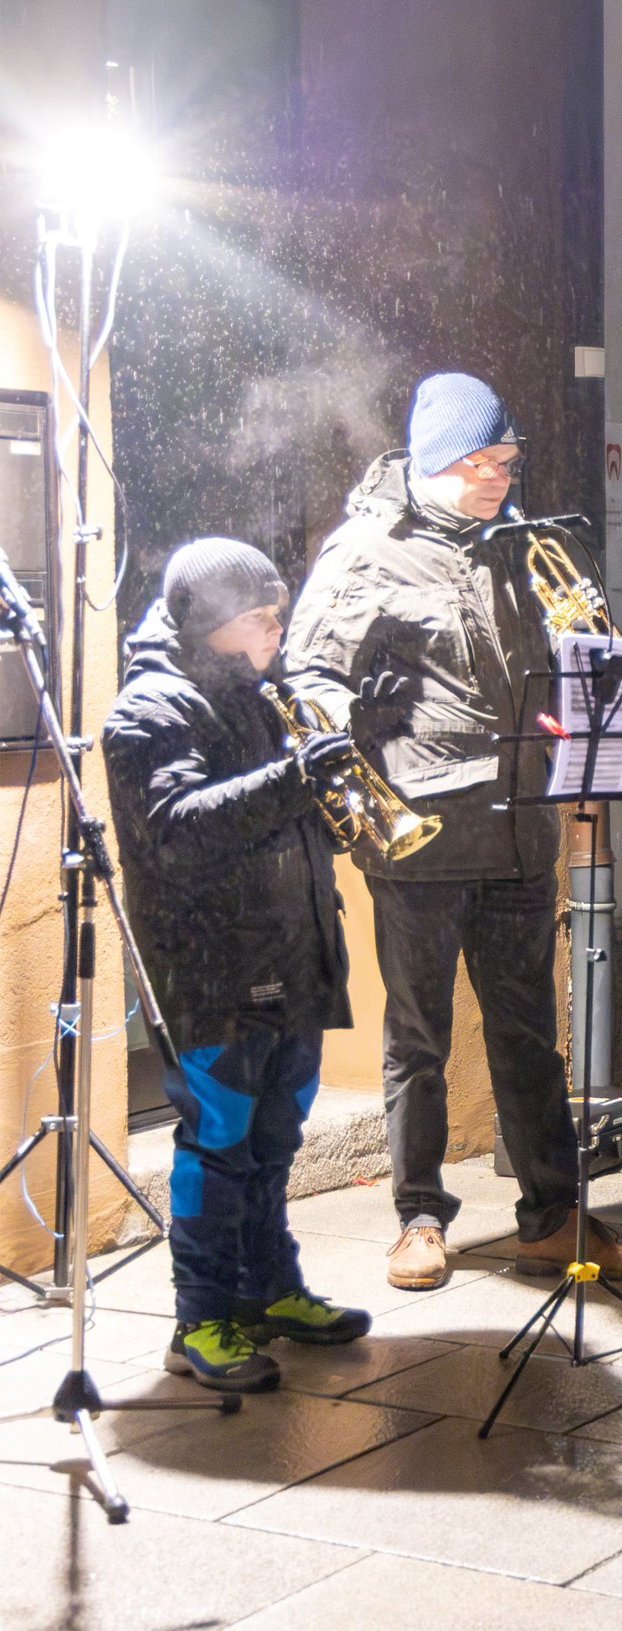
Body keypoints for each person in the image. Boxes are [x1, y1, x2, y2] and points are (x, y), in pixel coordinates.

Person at [287, 373, 622, 1292]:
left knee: (532, 1032)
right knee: (417, 1036)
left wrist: (606, 695)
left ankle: (553, 1211)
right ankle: (418, 1216)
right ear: (430, 459)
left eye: (507, 459)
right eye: (479, 462)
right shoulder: (367, 551)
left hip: (523, 829)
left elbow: (579, 654)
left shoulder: (526, 545)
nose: (499, 476)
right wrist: (344, 772)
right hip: (420, 835)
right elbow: (309, 676)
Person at [103, 541, 372, 1390]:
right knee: (218, 1145)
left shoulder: (264, 697)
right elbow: (178, 831)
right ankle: (203, 1317)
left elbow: (291, 817)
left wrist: (333, 802)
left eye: (275, 612)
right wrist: (295, 780)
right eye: (258, 616)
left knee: (274, 1139)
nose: (276, 628)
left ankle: (269, 1289)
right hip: (212, 969)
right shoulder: (150, 709)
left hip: (292, 954)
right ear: (211, 623)